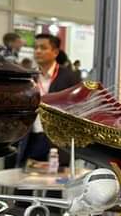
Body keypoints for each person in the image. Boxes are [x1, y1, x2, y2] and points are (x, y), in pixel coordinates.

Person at [16, 34, 77, 165]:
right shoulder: (29, 77)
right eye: (36, 47)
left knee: (56, 177)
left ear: (55, 52)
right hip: (32, 138)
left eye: (43, 48)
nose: (38, 51)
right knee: (26, 176)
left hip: (57, 141)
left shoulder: (69, 77)